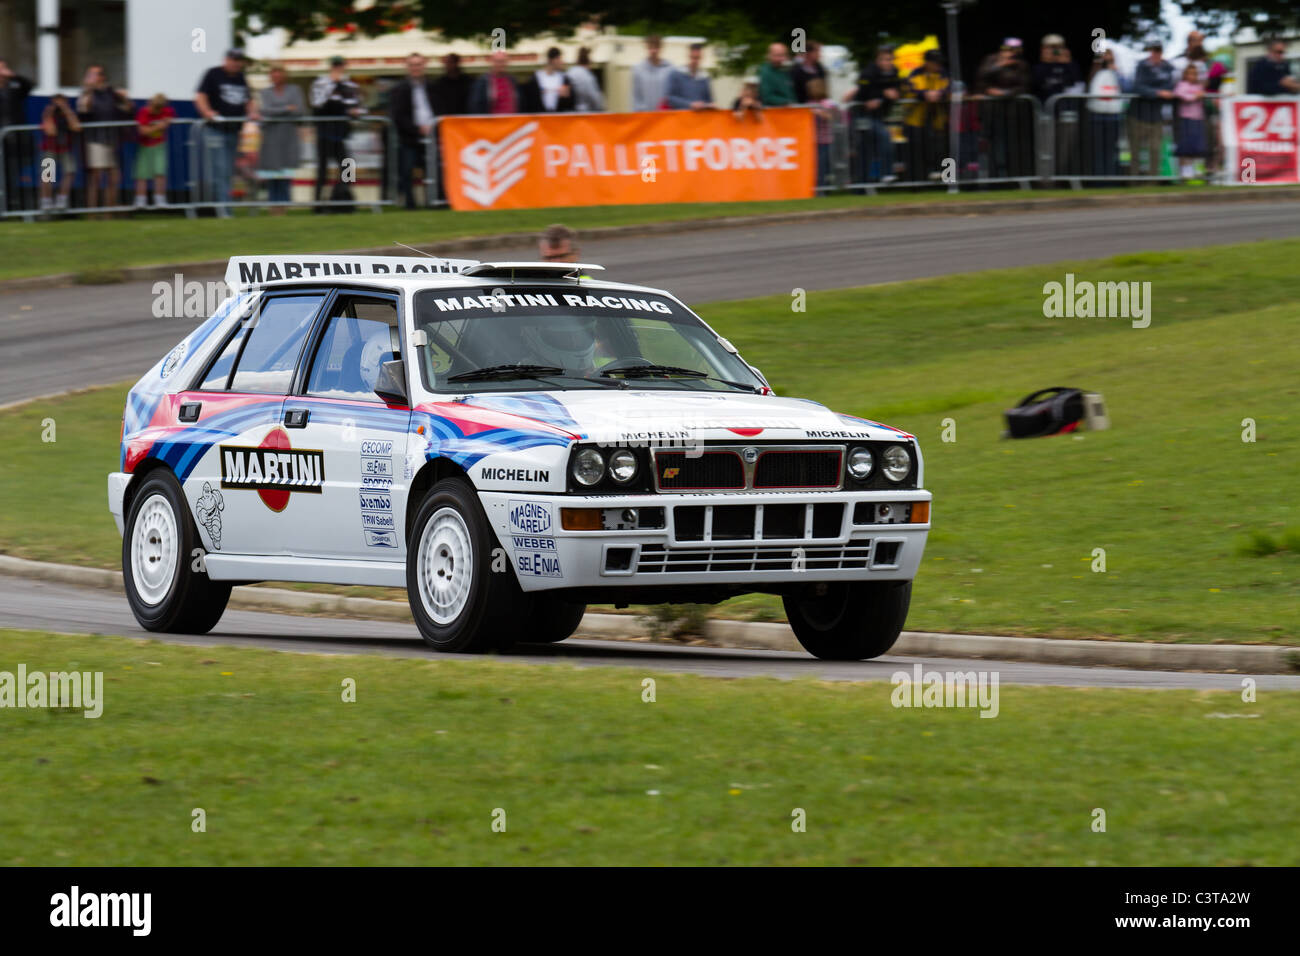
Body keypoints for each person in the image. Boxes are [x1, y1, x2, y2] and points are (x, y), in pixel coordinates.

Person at [195, 49, 257, 217]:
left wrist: (252, 112)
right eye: (233, 59)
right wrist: (207, 112)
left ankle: (224, 208)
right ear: (226, 60)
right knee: (220, 169)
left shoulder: (241, 77)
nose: (236, 63)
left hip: (234, 131)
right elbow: (200, 96)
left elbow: (248, 100)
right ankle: (224, 211)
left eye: (239, 60)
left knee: (228, 171)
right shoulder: (213, 74)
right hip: (215, 130)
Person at [78, 64, 134, 212]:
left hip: (113, 139)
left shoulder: (112, 94)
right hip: (95, 139)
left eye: (94, 74)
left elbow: (128, 108)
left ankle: (110, 211)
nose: (91, 78)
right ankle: (92, 212)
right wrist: (89, 90)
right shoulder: (86, 94)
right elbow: (83, 109)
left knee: (114, 176)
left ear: (102, 77)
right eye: (89, 75)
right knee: (96, 177)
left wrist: (125, 99)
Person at [310, 55, 364, 209]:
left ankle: (344, 200)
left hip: (341, 133)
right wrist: (333, 84)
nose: (338, 68)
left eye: (340, 65)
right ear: (331, 67)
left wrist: (356, 112)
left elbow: (359, 106)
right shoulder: (320, 83)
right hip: (324, 133)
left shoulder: (351, 86)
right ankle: (317, 205)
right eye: (335, 65)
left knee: (348, 167)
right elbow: (317, 103)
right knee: (323, 171)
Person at [847, 44, 901, 183]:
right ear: (877, 60)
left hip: (878, 115)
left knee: (866, 149)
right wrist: (882, 94)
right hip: (862, 115)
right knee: (884, 137)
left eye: (890, 59)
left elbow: (897, 90)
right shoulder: (868, 73)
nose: (887, 63)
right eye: (884, 59)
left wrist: (893, 94)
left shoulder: (894, 72)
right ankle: (886, 173)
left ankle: (862, 184)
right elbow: (862, 93)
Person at [390, 53, 437, 210]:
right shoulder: (400, 89)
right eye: (412, 65)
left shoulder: (432, 87)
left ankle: (432, 202)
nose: (416, 68)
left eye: (419, 64)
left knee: (431, 170)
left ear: (424, 66)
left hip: (431, 135)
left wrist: (432, 127)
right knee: (407, 170)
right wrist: (417, 129)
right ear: (408, 67)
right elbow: (399, 115)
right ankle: (410, 204)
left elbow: (439, 109)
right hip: (409, 137)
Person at [257, 65, 304, 213]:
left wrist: (276, 112)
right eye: (273, 74)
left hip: (289, 136)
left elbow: (300, 110)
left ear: (284, 76)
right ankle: (273, 206)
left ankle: (284, 205)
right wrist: (286, 109)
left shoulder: (295, 90)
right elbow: (265, 111)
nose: (276, 77)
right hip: (271, 137)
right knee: (272, 173)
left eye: (279, 74)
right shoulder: (265, 92)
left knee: (286, 172)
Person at [903, 49, 949, 181]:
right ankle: (917, 182)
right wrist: (924, 95)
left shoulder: (944, 74)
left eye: (939, 63)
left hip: (939, 119)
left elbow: (949, 88)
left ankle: (949, 180)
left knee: (945, 149)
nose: (938, 65)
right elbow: (909, 90)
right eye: (935, 63)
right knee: (917, 151)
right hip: (916, 120)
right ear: (927, 63)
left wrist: (940, 94)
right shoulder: (915, 74)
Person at [1131, 40, 1175, 177]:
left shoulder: (1167, 67)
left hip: (1156, 115)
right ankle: (1133, 180)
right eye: (1153, 51)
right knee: (1135, 150)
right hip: (1138, 114)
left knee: (1155, 149)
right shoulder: (1142, 66)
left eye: (1158, 51)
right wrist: (1158, 93)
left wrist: (1155, 91)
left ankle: (1153, 180)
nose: (1155, 54)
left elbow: (1170, 87)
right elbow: (1138, 87)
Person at [0, 59, 34, 212]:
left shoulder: (14, 88)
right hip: (2, 138)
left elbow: (30, 85)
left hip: (15, 140)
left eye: (4, 67)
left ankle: (11, 206)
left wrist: (14, 76)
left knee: (12, 174)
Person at [38, 93, 80, 212]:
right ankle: (46, 201)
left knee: (69, 172)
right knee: (47, 176)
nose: (59, 105)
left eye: (62, 102)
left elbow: (76, 127)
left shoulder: (68, 114)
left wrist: (67, 111)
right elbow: (50, 131)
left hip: (66, 148)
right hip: (50, 148)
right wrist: (48, 113)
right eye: (56, 102)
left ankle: (62, 199)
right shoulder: (48, 114)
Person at [133, 93, 174, 208]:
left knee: (160, 172)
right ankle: (140, 200)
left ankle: (160, 199)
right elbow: (142, 130)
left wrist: (167, 121)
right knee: (142, 174)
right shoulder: (144, 112)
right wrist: (158, 126)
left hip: (159, 145)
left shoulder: (167, 111)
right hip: (144, 146)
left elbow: (170, 117)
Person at [1087, 50, 1123, 178]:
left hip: (1114, 114)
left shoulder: (1118, 73)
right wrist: (1098, 63)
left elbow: (1126, 86)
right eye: (1105, 58)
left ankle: (1112, 178)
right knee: (1098, 149)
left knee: (1112, 149)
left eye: (1110, 57)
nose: (1107, 60)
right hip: (1097, 114)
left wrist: (1116, 71)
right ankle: (1098, 179)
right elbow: (1091, 86)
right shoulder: (1095, 72)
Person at [1173, 64, 1207, 181]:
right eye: (1190, 74)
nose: (1192, 76)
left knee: (1197, 145)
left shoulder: (1199, 86)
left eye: (1194, 74)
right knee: (1185, 146)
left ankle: (1197, 170)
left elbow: (1203, 95)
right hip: (1186, 119)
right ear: (1186, 75)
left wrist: (1198, 95)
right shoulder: (1181, 85)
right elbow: (1181, 95)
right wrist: (1194, 96)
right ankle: (1186, 171)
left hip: (1198, 118)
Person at [805, 77, 837, 187]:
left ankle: (822, 187)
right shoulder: (810, 103)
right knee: (815, 165)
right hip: (813, 140)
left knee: (822, 165)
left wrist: (819, 113)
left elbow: (832, 117)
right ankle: (816, 186)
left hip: (825, 140)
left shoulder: (828, 103)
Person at [522, 47, 574, 113]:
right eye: (559, 58)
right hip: (541, 118)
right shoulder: (536, 78)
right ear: (552, 60)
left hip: (558, 118)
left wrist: (567, 95)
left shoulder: (564, 78)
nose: (562, 62)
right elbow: (529, 100)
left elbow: (570, 101)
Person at [665, 43, 713, 110]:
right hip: (680, 118)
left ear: (702, 58)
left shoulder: (704, 78)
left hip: (700, 119)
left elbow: (709, 100)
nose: (695, 61)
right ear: (688, 56)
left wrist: (709, 105)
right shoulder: (676, 74)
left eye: (697, 58)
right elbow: (670, 98)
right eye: (693, 57)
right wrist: (690, 104)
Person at [632, 36, 673, 111]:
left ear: (661, 48)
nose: (653, 51)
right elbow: (636, 96)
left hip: (664, 116)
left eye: (656, 47)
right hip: (645, 116)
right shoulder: (638, 69)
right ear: (647, 48)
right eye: (651, 47)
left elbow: (671, 94)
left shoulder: (669, 69)